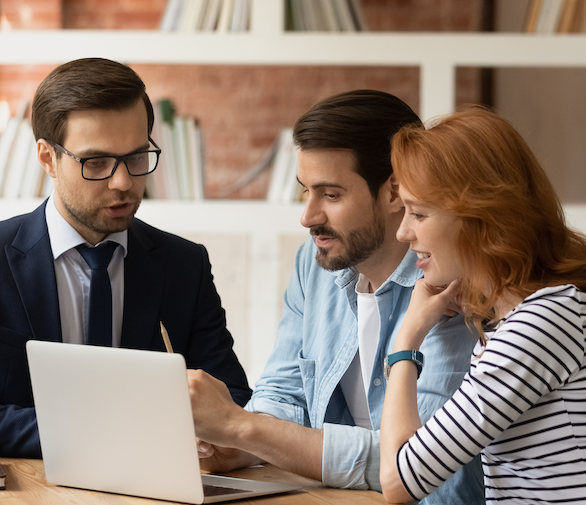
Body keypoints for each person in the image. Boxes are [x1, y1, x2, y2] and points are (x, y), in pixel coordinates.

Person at [0, 58, 251, 458]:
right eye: (97, 162)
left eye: (137, 157)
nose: (124, 182)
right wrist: (97, 434)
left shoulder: (184, 265)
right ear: (46, 158)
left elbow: (232, 402)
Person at [187, 90, 484, 503]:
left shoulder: (449, 282)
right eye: (305, 191)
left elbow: (421, 463)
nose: (308, 217)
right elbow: (284, 391)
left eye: (331, 195)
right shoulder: (316, 265)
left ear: (395, 192)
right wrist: (238, 446)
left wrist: (244, 428)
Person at [379, 106, 586, 503]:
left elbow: (399, 482)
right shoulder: (533, 319)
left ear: (482, 217)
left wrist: (406, 340)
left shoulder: (545, 323)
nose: (404, 232)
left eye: (419, 213)